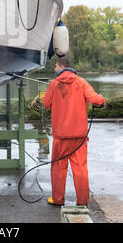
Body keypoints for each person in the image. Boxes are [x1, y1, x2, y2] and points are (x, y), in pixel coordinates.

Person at [43, 56, 106, 206]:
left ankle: (58, 199)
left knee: (58, 167)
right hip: (79, 135)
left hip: (61, 136)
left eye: (56, 67)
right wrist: (102, 100)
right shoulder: (81, 82)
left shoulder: (54, 84)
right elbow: (96, 100)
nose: (54, 69)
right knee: (80, 168)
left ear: (61, 66)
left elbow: (46, 104)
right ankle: (82, 201)